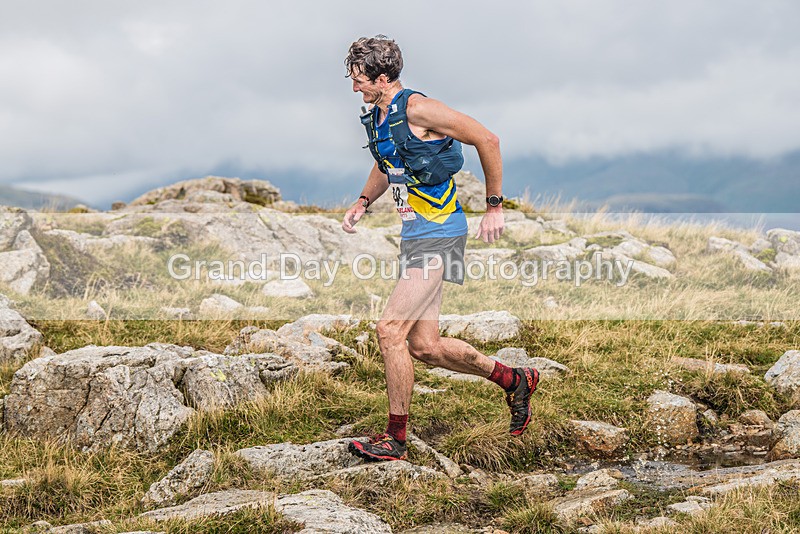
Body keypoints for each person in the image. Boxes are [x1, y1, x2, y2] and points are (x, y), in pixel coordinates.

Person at [341, 35, 539, 462]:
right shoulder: (379, 114)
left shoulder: (419, 108)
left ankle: (395, 438)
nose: (353, 88)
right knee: (424, 346)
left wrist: (494, 207)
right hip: (415, 233)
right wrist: (363, 201)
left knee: (389, 331)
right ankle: (515, 380)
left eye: (359, 80)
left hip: (441, 233)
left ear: (382, 77)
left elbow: (488, 139)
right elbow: (387, 163)